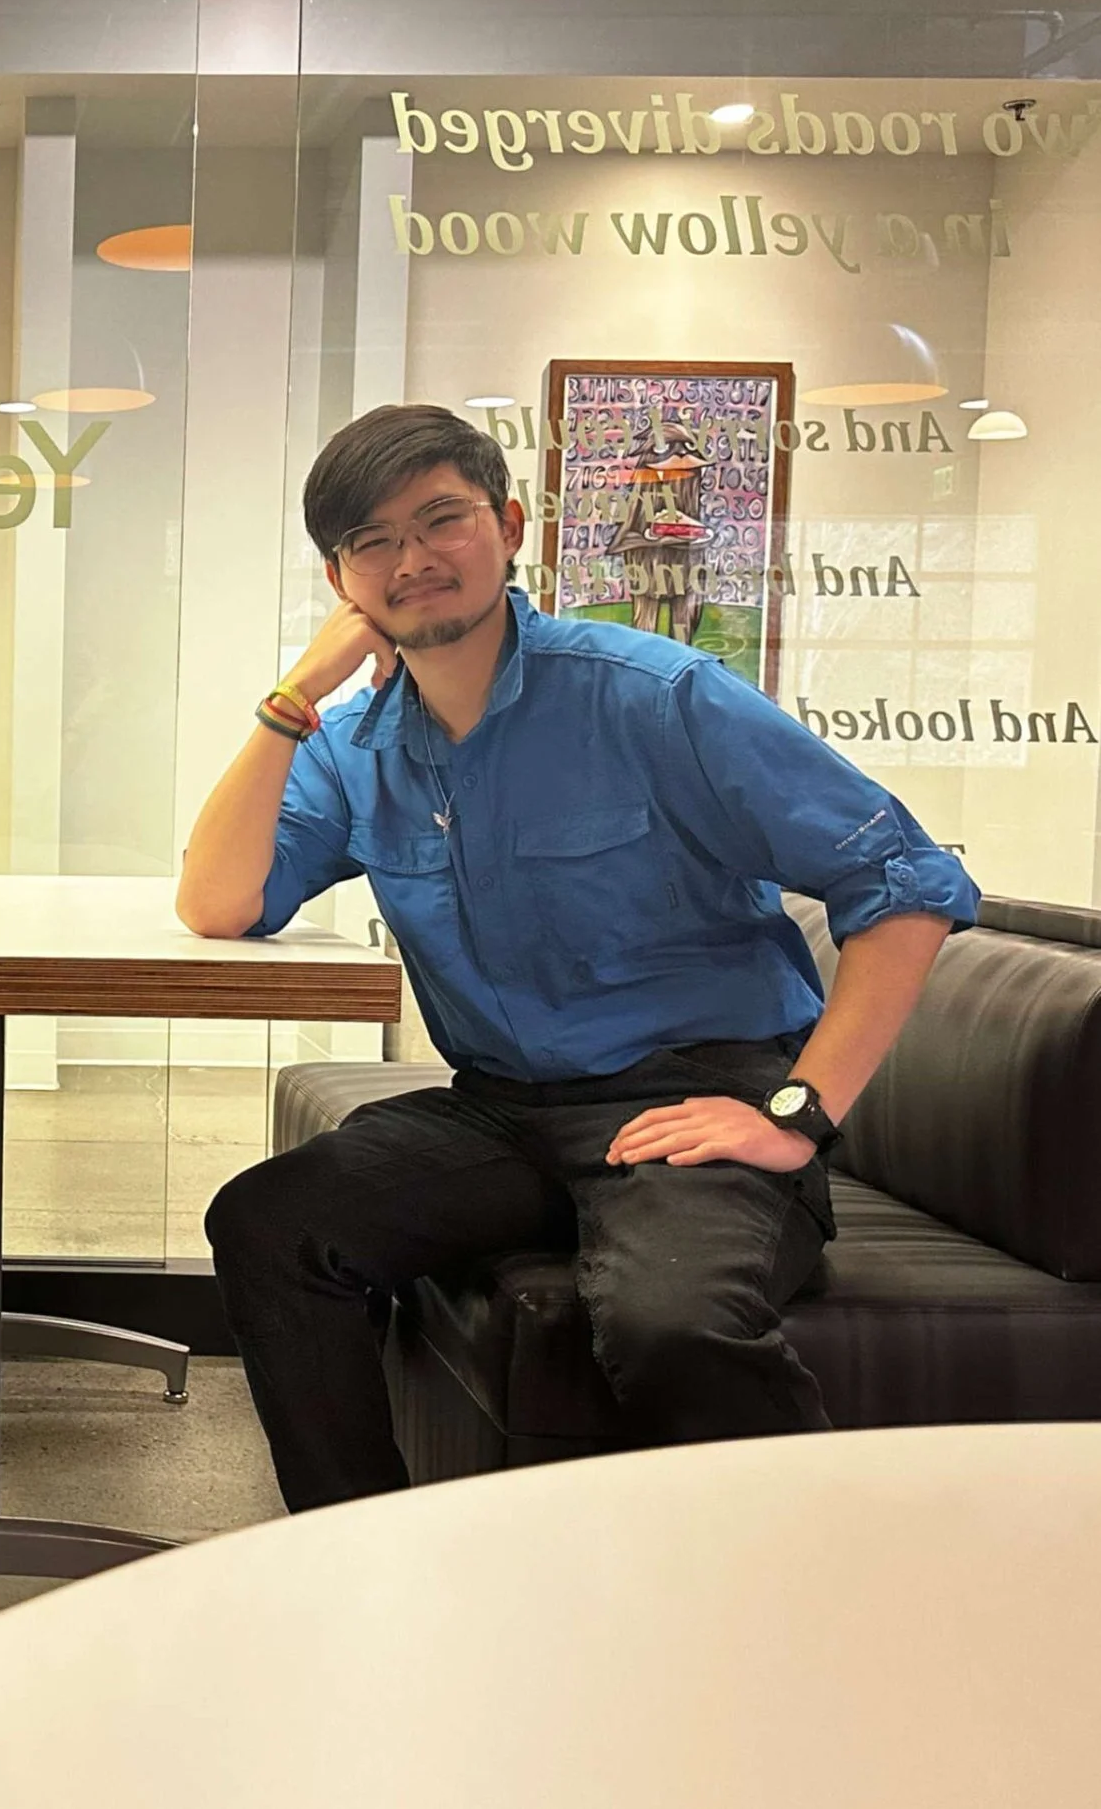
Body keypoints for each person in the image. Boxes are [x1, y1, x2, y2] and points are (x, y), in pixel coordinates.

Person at [178, 403, 977, 1512]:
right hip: (502, 1110)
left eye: (442, 519)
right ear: (341, 581)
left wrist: (796, 1114)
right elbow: (218, 902)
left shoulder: (656, 695)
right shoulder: (357, 747)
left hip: (695, 1091)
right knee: (270, 1222)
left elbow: (904, 882)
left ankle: (820, 1571)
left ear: (509, 527)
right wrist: (292, 699)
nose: (413, 559)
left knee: (672, 1322)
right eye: (373, 540)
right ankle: (355, 1549)